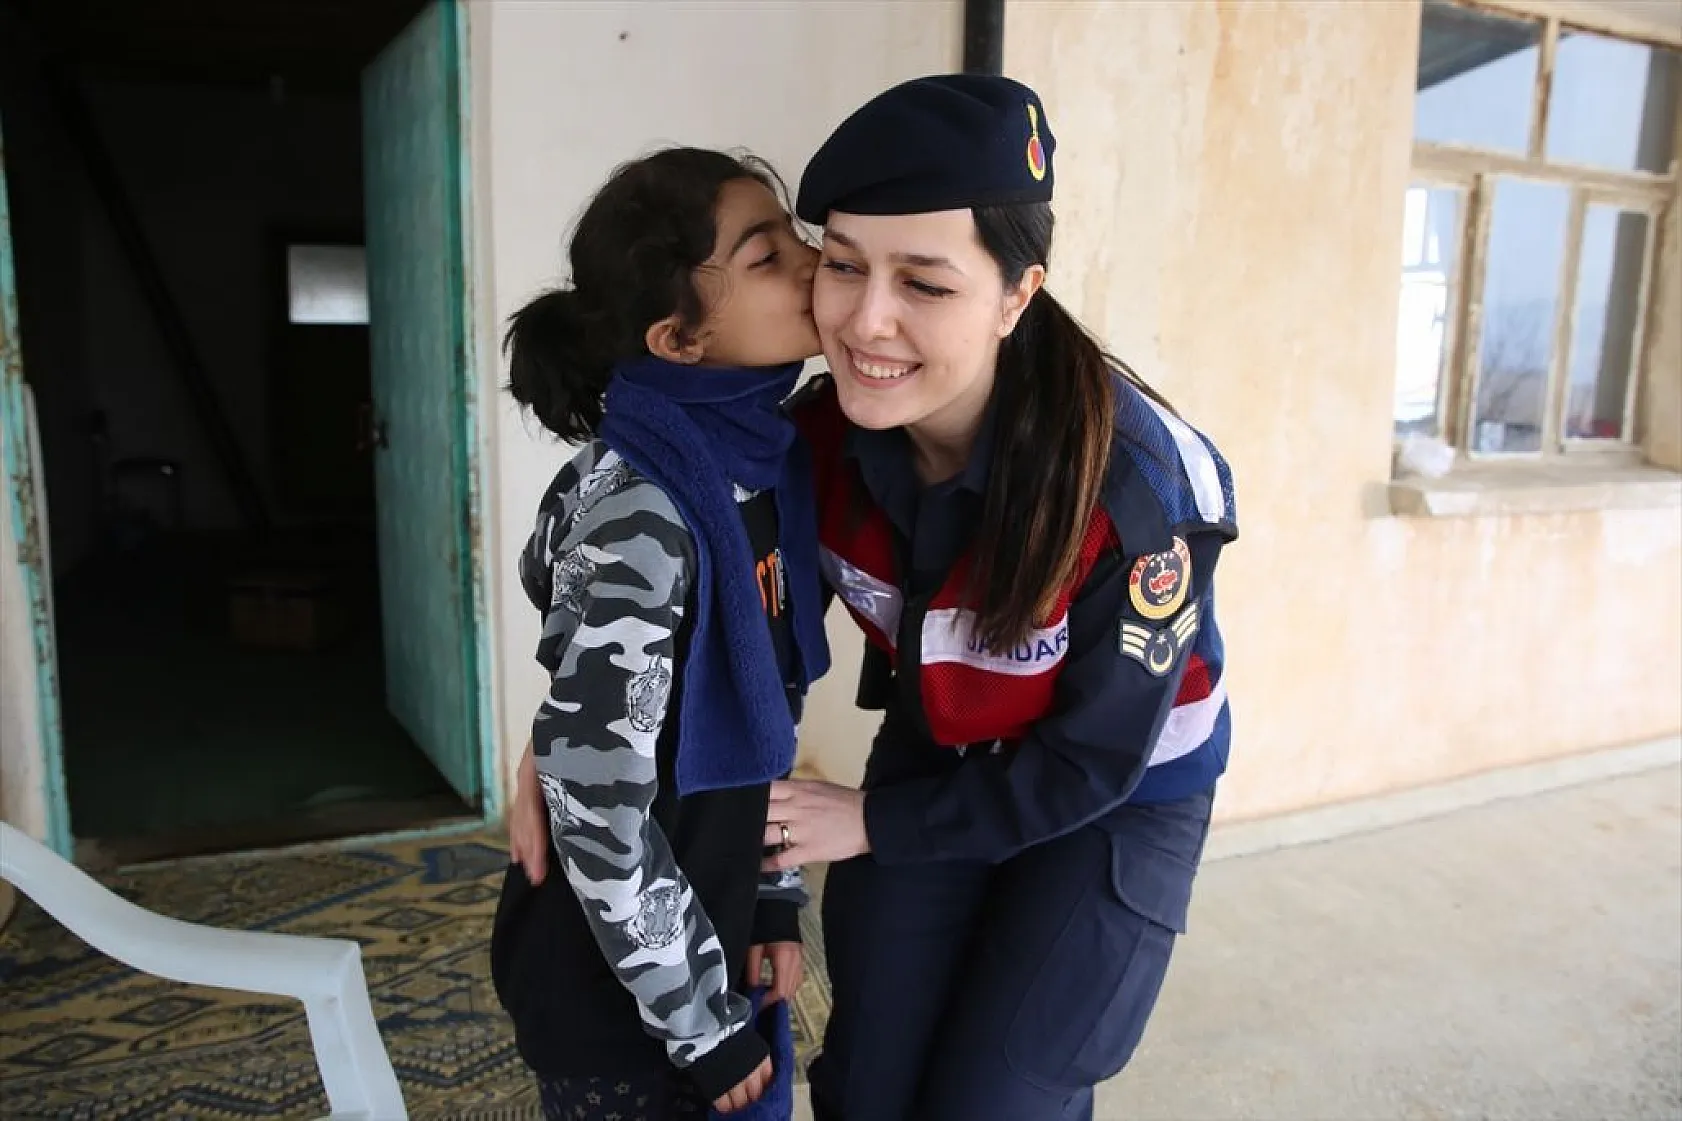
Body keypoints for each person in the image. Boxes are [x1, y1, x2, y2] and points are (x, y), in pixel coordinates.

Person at [511, 75, 1238, 1121]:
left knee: (1000, 1094)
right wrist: (570, 729)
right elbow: (669, 569)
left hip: (1114, 791)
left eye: (926, 284)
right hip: (939, 746)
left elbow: (1089, 759)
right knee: (867, 1080)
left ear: (1015, 294)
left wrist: (871, 820)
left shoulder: (1128, 497)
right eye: (841, 264)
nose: (866, 320)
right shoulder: (812, 443)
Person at [489, 146, 831, 1121]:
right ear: (678, 337)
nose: (811, 263)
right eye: (767, 258)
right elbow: (597, 807)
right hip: (615, 997)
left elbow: (773, 700)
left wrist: (772, 896)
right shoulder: (640, 515)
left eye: (795, 236)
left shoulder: (756, 470)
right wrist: (700, 1021)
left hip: (701, 930)